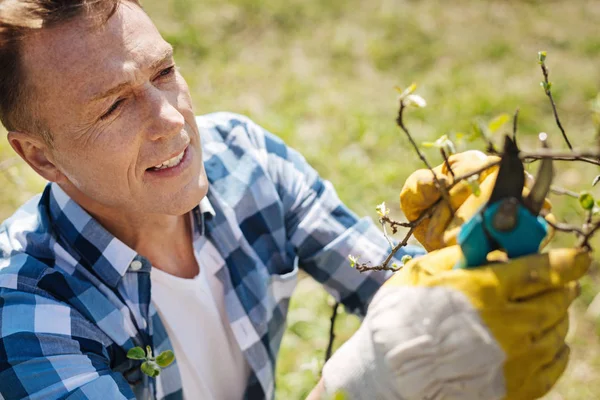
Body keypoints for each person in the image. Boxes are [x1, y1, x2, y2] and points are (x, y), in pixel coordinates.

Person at [0, 1, 589, 399]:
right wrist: (366, 382)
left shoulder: (246, 161)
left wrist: (463, 256)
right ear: (41, 157)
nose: (171, 117)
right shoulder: (22, 310)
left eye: (163, 71)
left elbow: (388, 284)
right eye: (112, 106)